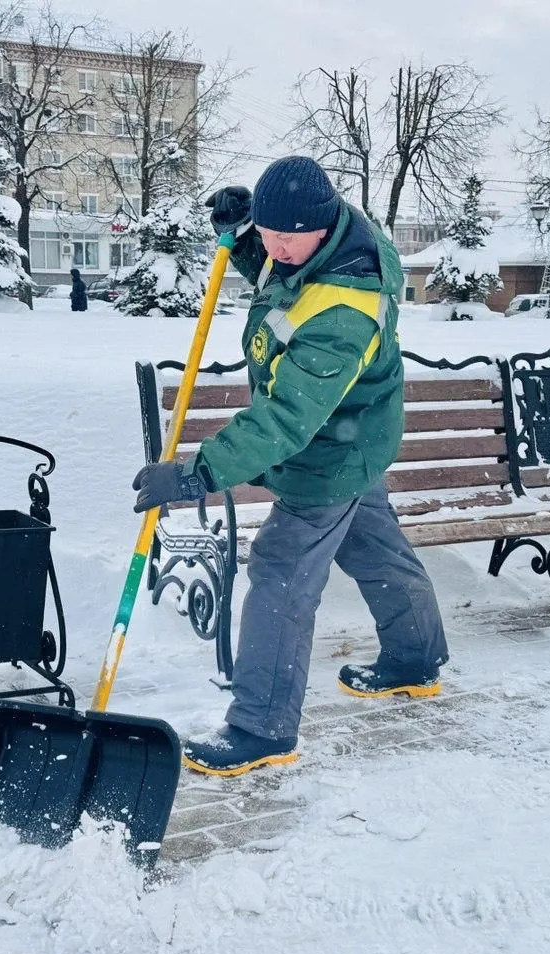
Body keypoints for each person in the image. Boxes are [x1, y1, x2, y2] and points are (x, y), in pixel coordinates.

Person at [131, 156, 449, 777]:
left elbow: (286, 418)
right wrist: (248, 235)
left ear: (320, 224)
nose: (275, 249)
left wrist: (198, 473)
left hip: (328, 453)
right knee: (375, 550)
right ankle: (415, 659)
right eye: (268, 234)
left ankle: (262, 728)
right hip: (359, 436)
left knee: (280, 571)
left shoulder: (343, 312)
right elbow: (283, 276)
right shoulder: (328, 244)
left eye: (286, 237)